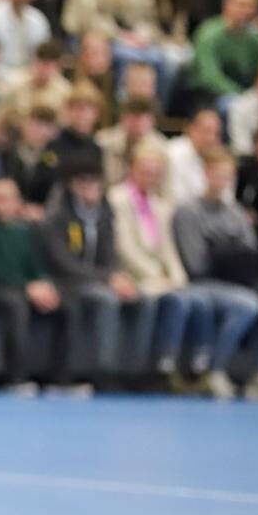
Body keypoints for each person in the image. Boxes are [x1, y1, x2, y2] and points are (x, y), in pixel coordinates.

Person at [173, 148, 258, 399]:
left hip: (243, 280)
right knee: (248, 305)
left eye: (227, 175)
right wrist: (230, 254)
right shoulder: (188, 211)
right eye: (218, 173)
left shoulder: (235, 211)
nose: (222, 180)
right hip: (205, 282)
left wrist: (224, 251)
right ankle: (215, 371)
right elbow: (196, 263)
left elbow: (251, 252)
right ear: (206, 174)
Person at [0, 177, 81, 395]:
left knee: (66, 305)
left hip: (23, 287)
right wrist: (27, 287)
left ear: (18, 202)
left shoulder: (26, 231)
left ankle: (61, 379)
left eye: (9, 199)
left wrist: (44, 284)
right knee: (16, 305)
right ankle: (16, 377)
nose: (4, 205)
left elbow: (35, 264)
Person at [108, 142, 213, 386]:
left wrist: (177, 277)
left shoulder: (161, 204)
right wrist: (156, 275)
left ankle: (197, 366)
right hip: (130, 273)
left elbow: (168, 248)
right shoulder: (117, 199)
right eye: (145, 171)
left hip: (159, 277)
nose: (150, 178)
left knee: (199, 299)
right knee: (176, 300)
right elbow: (125, 247)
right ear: (132, 169)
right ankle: (162, 366)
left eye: (156, 173)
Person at [38, 160, 151, 381]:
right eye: (84, 184)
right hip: (66, 281)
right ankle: (105, 371)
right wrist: (107, 278)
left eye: (95, 184)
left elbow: (109, 254)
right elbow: (63, 263)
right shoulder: (57, 216)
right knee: (106, 299)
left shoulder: (104, 215)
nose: (90, 189)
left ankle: (138, 370)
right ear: (73, 186)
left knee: (142, 299)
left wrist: (117, 276)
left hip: (98, 280)